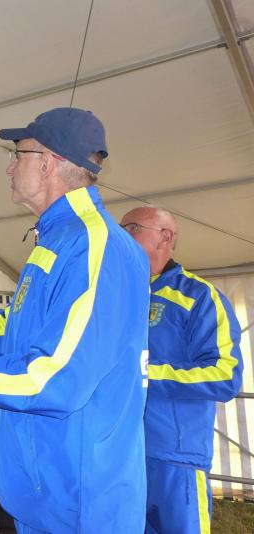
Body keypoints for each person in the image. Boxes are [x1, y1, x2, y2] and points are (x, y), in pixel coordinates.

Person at [0, 108, 151, 533]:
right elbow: (6, 330)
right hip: (46, 489)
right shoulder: (60, 240)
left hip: (81, 499)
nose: (9, 167)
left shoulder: (93, 246)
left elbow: (54, 379)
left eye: (16, 154)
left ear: (47, 162)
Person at [120, 206, 243, 534]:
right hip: (119, 455)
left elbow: (225, 375)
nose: (122, 236)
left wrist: (146, 374)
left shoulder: (199, 296)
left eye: (132, 228)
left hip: (176, 459)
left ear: (166, 237)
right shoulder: (117, 295)